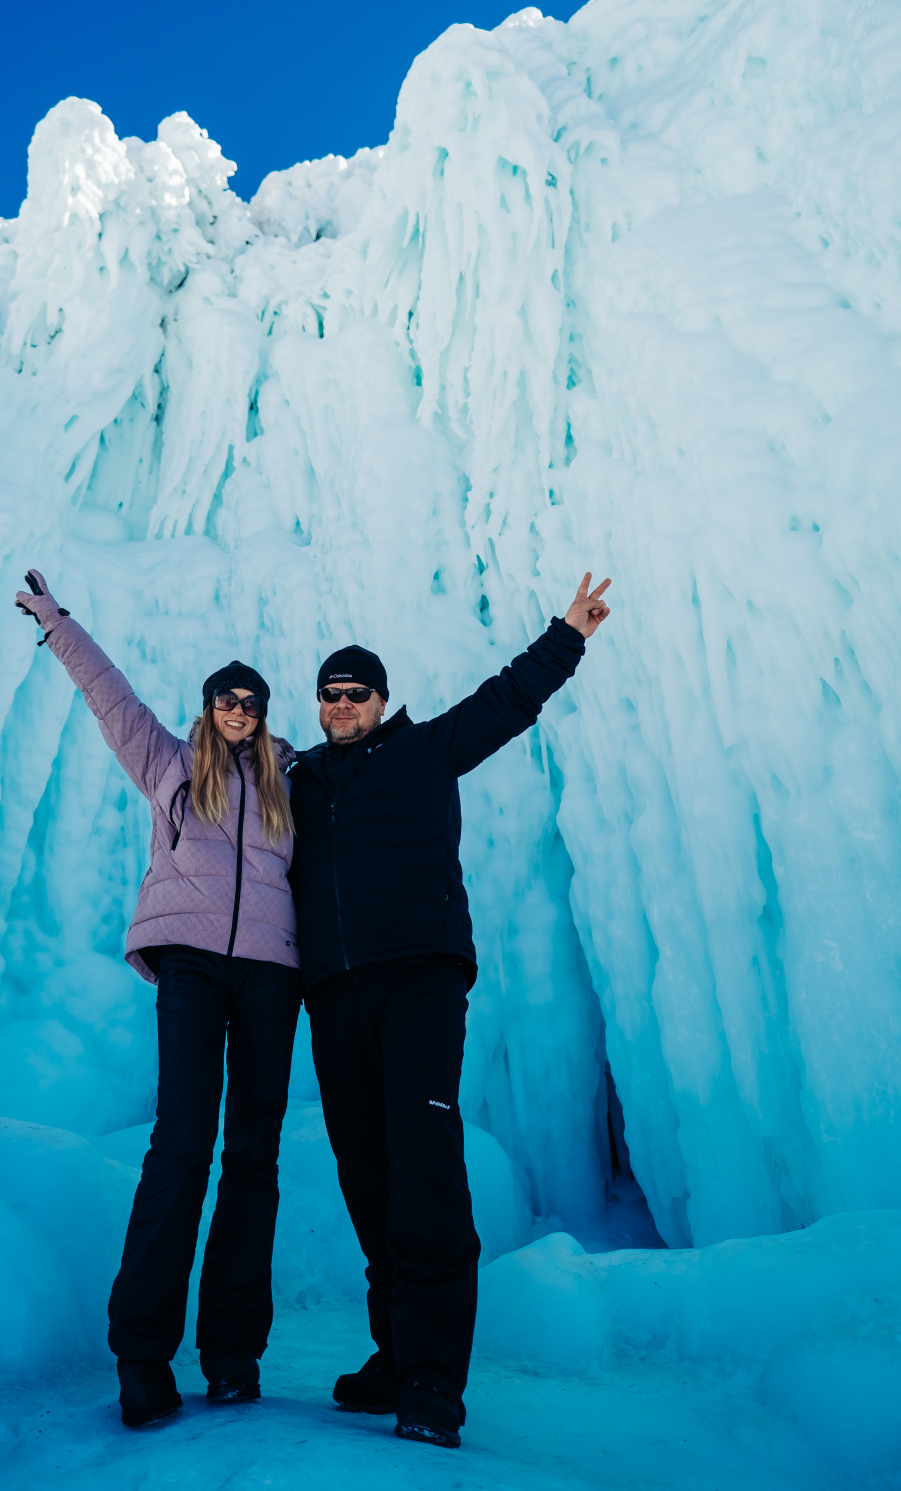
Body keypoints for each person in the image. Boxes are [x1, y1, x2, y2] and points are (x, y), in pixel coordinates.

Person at [287, 573, 612, 1451]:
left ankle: (431, 1383)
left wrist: (567, 635)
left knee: (422, 1172)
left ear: (382, 700)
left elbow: (504, 702)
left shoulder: (426, 749)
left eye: (356, 693)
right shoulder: (301, 780)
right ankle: (395, 1354)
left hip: (420, 983)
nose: (342, 704)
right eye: (329, 694)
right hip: (336, 994)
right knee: (366, 1177)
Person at [14, 570, 300, 1429]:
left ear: (263, 709)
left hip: (270, 976)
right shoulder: (170, 765)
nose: (238, 709)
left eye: (250, 699)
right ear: (209, 706)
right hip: (190, 968)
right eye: (225, 698)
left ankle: (232, 1353)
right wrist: (57, 622)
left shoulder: (294, 779)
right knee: (181, 1142)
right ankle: (142, 1354)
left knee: (254, 1156)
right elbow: (111, 697)